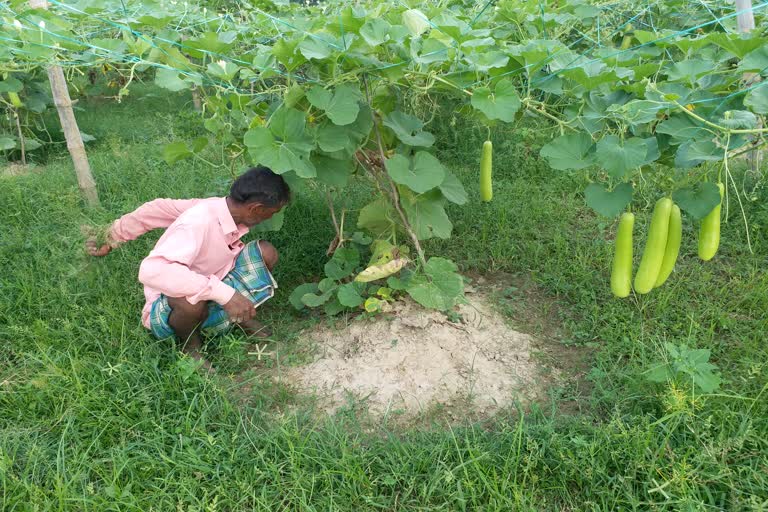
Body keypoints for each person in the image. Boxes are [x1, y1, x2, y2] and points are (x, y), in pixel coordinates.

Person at [86, 166, 290, 371]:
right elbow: (151, 270)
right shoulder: (197, 221)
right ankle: (191, 349)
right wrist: (226, 294)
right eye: (271, 212)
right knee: (189, 300)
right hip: (173, 303)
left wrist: (111, 236)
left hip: (211, 281)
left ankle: (238, 318)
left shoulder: (216, 208)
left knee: (265, 252)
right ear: (255, 208)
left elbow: (157, 209)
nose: (271, 217)